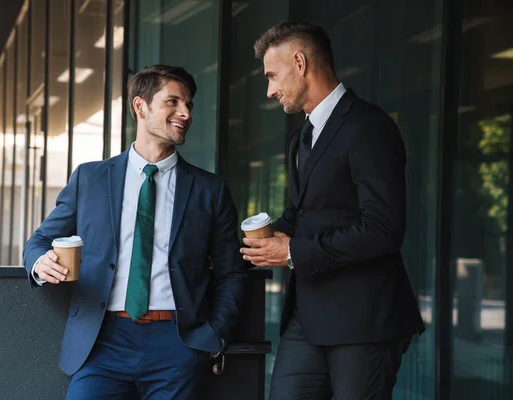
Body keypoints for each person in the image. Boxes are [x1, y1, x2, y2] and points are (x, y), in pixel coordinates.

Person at [23, 64, 247, 399]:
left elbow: (232, 272)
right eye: (173, 102)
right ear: (140, 107)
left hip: (178, 344)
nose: (185, 113)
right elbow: (39, 241)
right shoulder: (91, 178)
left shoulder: (208, 190)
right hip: (102, 342)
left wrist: (212, 336)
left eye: (189, 105)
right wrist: (40, 263)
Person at [240, 21, 426, 399]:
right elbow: (299, 214)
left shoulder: (368, 127)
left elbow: (383, 229)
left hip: (364, 321)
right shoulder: (300, 138)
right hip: (306, 317)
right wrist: (248, 245)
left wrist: (291, 252)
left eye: (273, 76)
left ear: (300, 62)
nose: (270, 89)